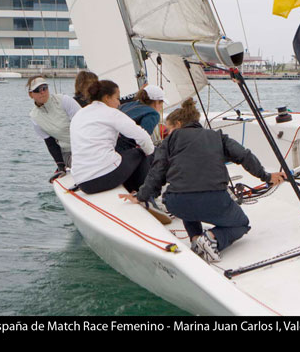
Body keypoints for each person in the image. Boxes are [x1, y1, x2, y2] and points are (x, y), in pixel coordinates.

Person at [119, 98, 287, 263]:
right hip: (213, 200)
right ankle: (212, 238)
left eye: (168, 129)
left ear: (177, 124)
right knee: (241, 224)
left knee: (185, 202)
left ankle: (196, 240)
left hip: (176, 202)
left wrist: (141, 196)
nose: (167, 133)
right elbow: (244, 155)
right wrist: (266, 176)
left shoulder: (168, 141)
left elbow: (157, 171)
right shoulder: (218, 137)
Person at [70, 79, 154, 194]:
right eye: (117, 98)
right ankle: (143, 194)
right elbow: (143, 138)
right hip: (103, 178)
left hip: (82, 182)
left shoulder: (79, 114)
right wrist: (151, 154)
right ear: (106, 98)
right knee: (139, 153)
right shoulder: (112, 113)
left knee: (121, 156)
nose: (119, 103)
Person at [28, 75, 81, 182]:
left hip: (85, 145)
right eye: (37, 90)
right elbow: (50, 142)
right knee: (81, 163)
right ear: (31, 94)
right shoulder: (34, 117)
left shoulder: (64, 100)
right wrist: (61, 166)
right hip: (67, 152)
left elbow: (84, 124)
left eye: (44, 88)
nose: (42, 92)